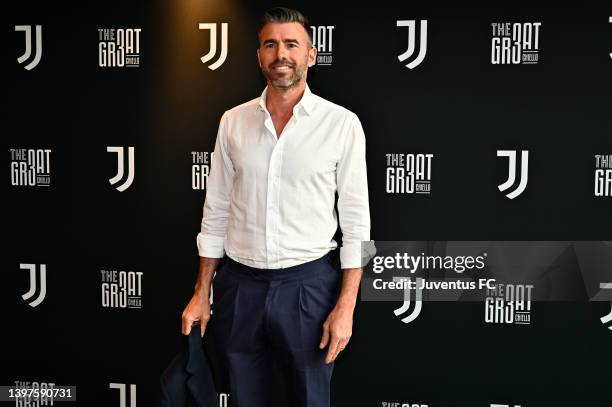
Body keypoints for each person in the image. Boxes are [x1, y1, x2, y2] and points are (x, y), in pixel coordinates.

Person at [181, 6, 370, 406]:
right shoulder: (233, 122)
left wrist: (346, 306)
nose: (280, 53)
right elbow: (215, 211)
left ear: (311, 54)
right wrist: (202, 292)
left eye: (290, 44)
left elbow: (356, 225)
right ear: (259, 55)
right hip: (238, 288)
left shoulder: (341, 124)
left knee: (309, 400)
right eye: (270, 44)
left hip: (309, 288)